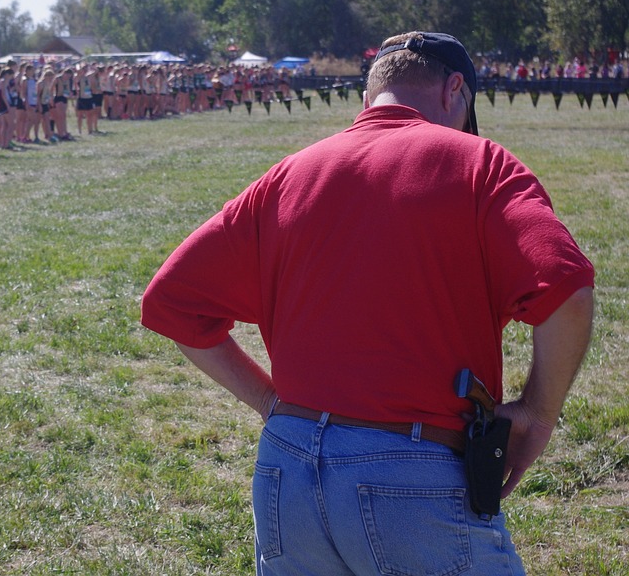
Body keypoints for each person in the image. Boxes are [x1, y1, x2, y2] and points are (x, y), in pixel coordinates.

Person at [141, 31, 595, 575]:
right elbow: (566, 291)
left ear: (368, 97)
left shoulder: (288, 174)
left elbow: (171, 302)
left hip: (285, 473)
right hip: (416, 472)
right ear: (455, 90)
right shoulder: (481, 164)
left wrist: (270, 404)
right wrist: (539, 415)